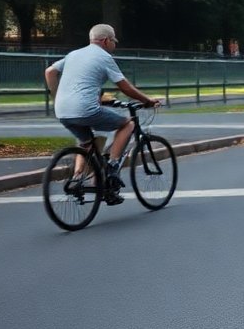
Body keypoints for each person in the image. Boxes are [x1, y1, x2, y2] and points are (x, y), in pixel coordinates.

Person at [44, 24, 161, 205]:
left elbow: (50, 72)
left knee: (87, 144)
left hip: (62, 110)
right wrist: (147, 100)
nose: (114, 44)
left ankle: (79, 179)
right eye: (114, 41)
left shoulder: (74, 54)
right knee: (127, 124)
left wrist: (56, 96)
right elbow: (124, 86)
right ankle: (113, 167)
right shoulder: (104, 57)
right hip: (85, 109)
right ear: (106, 41)